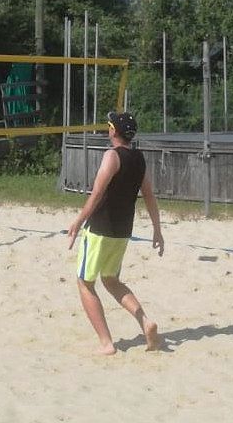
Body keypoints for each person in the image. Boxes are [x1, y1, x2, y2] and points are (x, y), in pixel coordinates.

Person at [66, 111, 164, 355]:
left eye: (109, 125)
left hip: (100, 228)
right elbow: (149, 196)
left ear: (113, 131)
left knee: (85, 283)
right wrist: (157, 230)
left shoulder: (112, 156)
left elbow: (97, 193)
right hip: (123, 230)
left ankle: (106, 343)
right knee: (111, 280)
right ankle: (145, 322)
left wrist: (79, 220)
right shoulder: (139, 158)